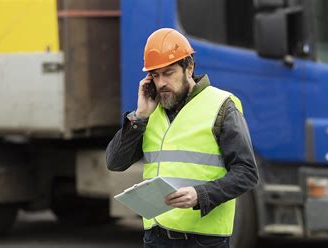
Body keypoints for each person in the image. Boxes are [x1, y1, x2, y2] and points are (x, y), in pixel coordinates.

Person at [106, 28, 259, 248]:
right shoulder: (149, 112)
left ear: (189, 68)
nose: (161, 83)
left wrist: (201, 195)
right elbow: (115, 163)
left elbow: (247, 173)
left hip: (203, 241)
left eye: (168, 73)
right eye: (155, 75)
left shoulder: (221, 107)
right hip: (156, 238)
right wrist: (139, 116)